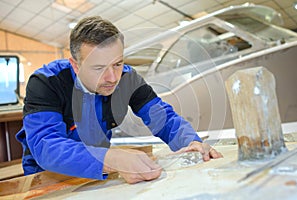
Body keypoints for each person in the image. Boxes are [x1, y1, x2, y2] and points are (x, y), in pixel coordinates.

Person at [16, 16, 223, 184]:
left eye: (117, 64)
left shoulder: (127, 78)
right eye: (99, 68)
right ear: (76, 65)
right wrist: (112, 158)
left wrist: (191, 142)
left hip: (101, 173)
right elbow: (46, 146)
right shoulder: (46, 82)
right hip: (46, 178)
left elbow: (163, 117)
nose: (112, 78)